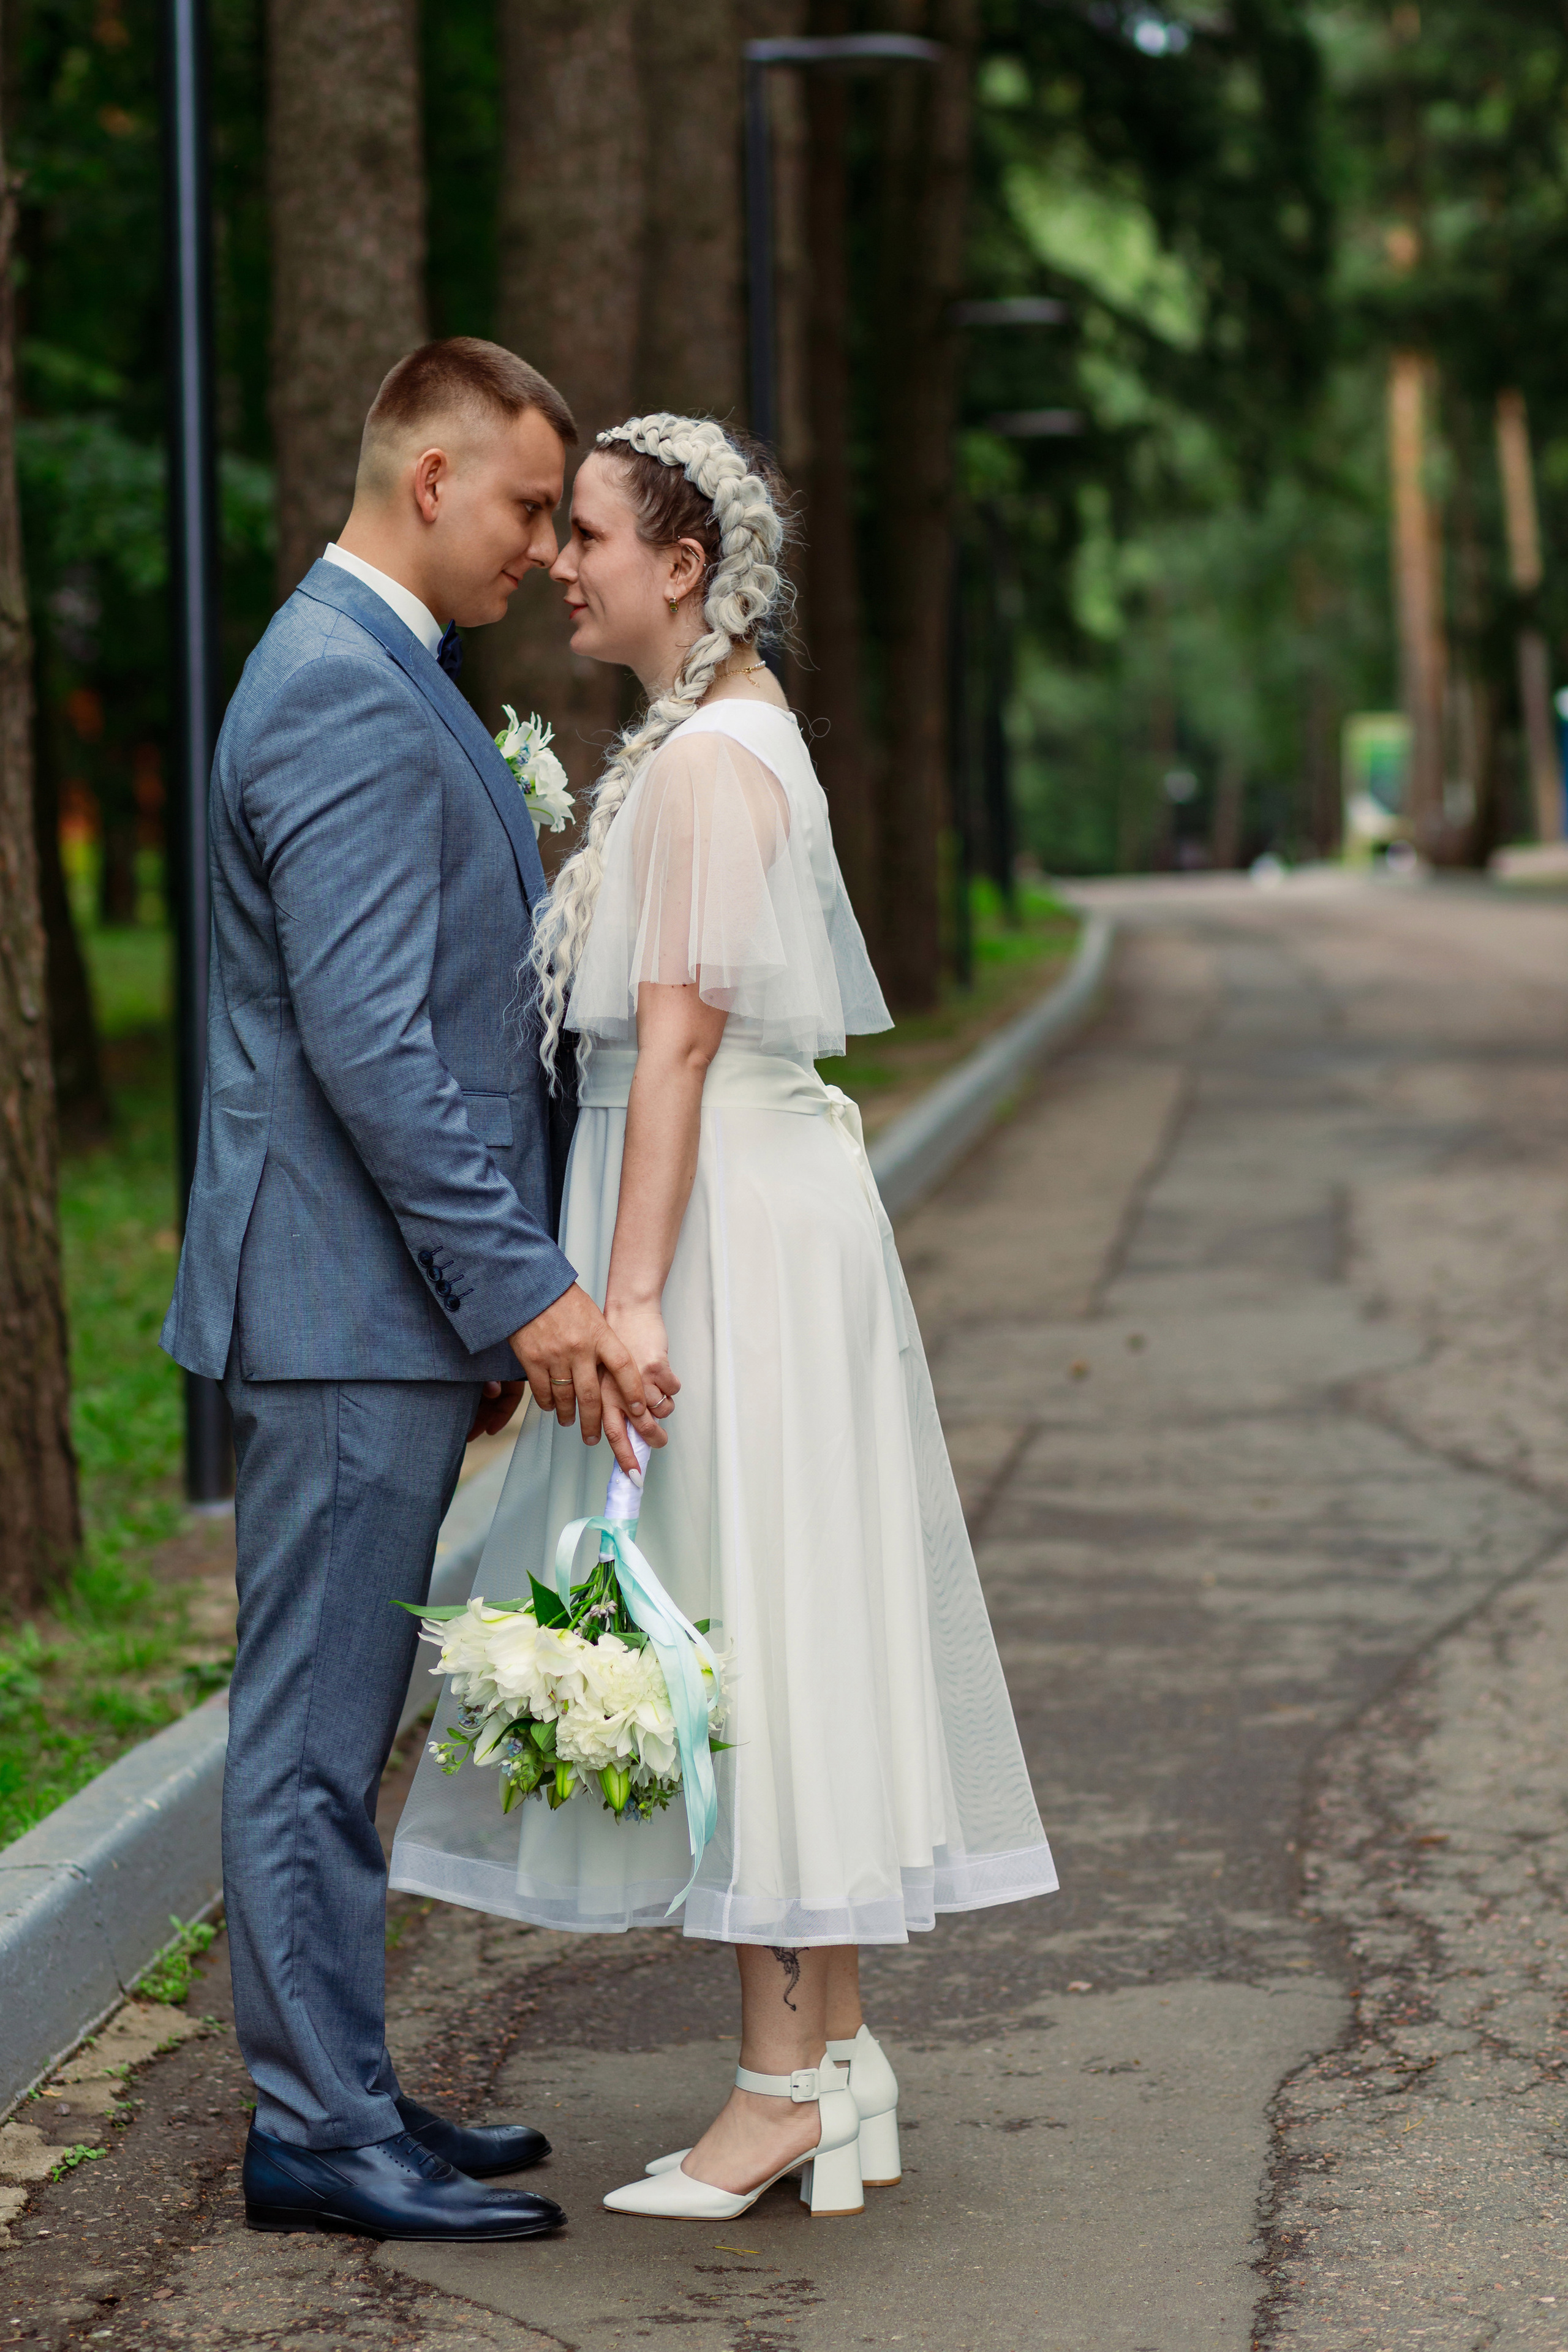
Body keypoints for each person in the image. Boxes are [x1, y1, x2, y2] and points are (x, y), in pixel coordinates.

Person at [390, 415, 1057, 2223]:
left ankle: (774, 2089)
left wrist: (628, 1293)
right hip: (768, 1211)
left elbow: (673, 1047)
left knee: (743, 1627)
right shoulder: (727, 737)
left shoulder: (703, 769)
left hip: (716, 1238)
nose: (565, 562)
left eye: (591, 533)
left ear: (680, 567)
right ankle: (833, 2061)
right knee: (788, 1618)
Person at [162, 339, 668, 2245]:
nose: (546, 549)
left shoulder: (388, 673)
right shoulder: (336, 691)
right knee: (305, 1733)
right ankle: (312, 2133)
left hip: (382, 1302)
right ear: (432, 479)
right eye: (530, 508)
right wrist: (524, 1294)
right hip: (341, 1297)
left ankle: (352, 2088)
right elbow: (379, 1050)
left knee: (339, 1722)